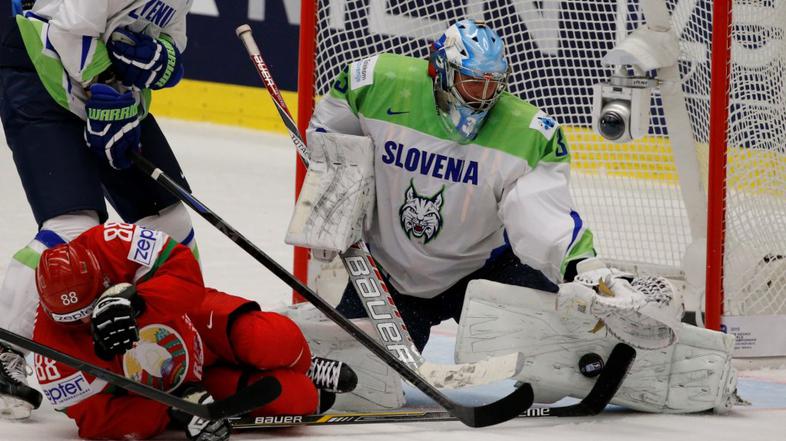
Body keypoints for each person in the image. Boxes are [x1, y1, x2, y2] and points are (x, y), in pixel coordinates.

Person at [0, 1, 202, 418]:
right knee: (73, 225)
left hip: (109, 91)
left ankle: (185, 333)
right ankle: (5, 346)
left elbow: (169, 37)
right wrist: (106, 86)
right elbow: (65, 31)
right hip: (38, 71)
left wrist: (160, 59)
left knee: (167, 220)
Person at [32, 222, 357, 440]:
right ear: (51, 312)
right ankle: (305, 382)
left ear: (102, 280)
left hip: (193, 320)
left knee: (272, 339)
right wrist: (172, 412)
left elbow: (183, 267)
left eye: (91, 308)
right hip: (183, 387)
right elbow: (97, 420)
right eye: (74, 318)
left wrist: (139, 302)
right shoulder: (50, 350)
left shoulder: (111, 241)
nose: (87, 321)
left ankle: (306, 364)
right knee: (295, 399)